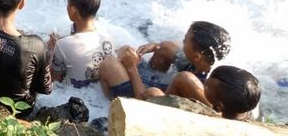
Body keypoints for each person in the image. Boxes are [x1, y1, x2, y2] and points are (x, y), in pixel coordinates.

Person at [99, 21, 231, 106]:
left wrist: (131, 67)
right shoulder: (207, 66)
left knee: (108, 64)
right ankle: (145, 77)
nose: (182, 42)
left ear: (197, 56)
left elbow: (149, 100)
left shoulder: (195, 85)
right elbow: (170, 47)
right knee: (166, 47)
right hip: (159, 90)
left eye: (185, 41)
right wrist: (157, 46)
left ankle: (110, 105)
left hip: (149, 102)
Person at [50, 0, 113, 88]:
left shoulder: (63, 44)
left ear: (73, 10)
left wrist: (51, 51)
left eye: (68, 3)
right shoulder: (108, 36)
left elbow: (54, 82)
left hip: (73, 97)